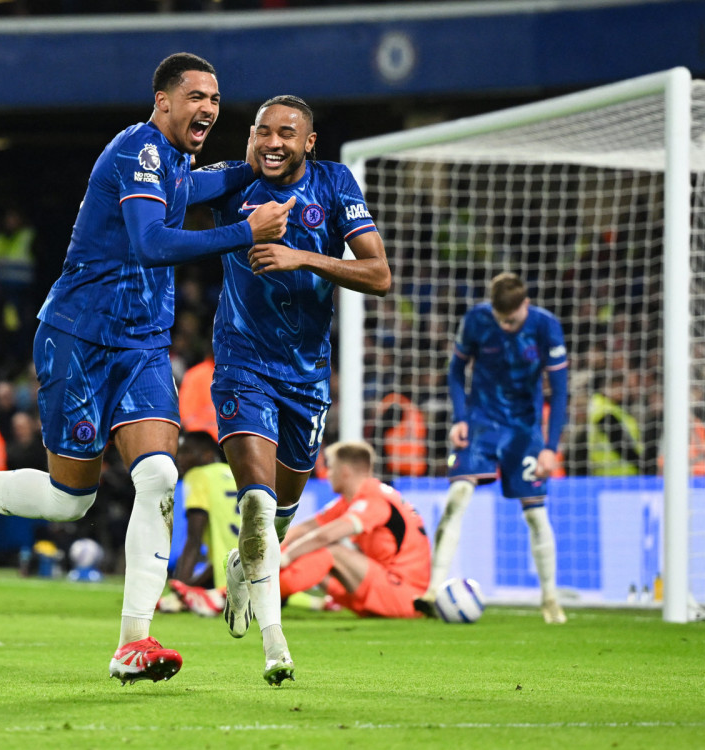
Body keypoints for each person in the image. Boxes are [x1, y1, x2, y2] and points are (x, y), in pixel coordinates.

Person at [0, 52, 293, 685]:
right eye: (196, 96)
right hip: (78, 338)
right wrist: (246, 231)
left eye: (215, 99)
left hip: (142, 346)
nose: (208, 108)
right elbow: (151, 243)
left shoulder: (174, 162)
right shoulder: (137, 151)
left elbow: (199, 188)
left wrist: (251, 166)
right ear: (162, 101)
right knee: (70, 500)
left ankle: (133, 642)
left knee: (160, 476)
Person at [206, 95, 391, 684]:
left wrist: (301, 258)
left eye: (286, 133)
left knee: (278, 519)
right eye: (263, 132)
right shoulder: (230, 181)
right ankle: (275, 645)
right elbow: (156, 212)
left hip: (306, 376)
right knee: (256, 504)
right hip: (242, 363)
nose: (273, 143)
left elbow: (379, 274)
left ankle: (242, 565)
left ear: (308, 142)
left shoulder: (335, 184)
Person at [419, 272, 569, 624]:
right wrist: (460, 417)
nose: (505, 326)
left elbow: (560, 390)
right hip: (481, 424)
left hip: (524, 431)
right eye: (501, 319)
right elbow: (456, 371)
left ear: (526, 305)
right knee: (457, 496)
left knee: (535, 514)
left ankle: (550, 599)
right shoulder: (476, 320)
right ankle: (432, 591)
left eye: (511, 321)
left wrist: (551, 446)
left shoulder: (546, 327)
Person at [277, 441, 430, 618]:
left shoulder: (374, 498)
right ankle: (269, 585)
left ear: (345, 471)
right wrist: (274, 550)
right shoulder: (352, 500)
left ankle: (271, 590)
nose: (328, 474)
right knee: (314, 555)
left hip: (406, 596)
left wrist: (284, 558)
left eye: (331, 468)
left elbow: (324, 537)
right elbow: (305, 528)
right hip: (384, 587)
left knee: (332, 551)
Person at [165, 430, 239, 617]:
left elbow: (194, 540)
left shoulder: (198, 475)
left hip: (230, 586)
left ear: (207, 455)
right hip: (264, 573)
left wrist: (179, 592)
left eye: (186, 452)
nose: (179, 458)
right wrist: (191, 586)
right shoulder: (235, 473)